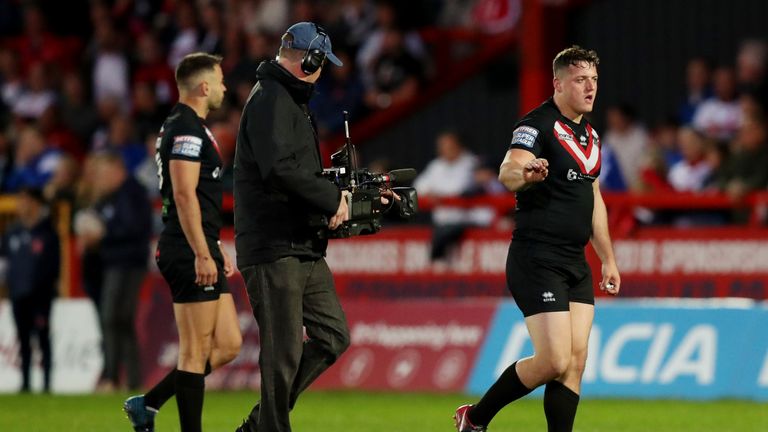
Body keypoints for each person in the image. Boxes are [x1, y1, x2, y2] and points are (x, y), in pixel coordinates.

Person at [454, 46, 621, 432]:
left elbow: (593, 197)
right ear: (558, 83)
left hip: (575, 262)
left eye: (594, 79)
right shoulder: (537, 124)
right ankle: (475, 418)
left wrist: (608, 258)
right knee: (553, 361)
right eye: (581, 80)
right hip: (537, 257)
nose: (590, 87)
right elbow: (507, 170)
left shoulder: (591, 136)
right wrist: (524, 174)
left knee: (575, 364)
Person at [233, 22, 352, 432]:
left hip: (301, 243)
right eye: (322, 63)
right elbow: (280, 170)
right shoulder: (271, 99)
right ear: (311, 59)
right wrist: (330, 198)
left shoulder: (287, 99)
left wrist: (330, 192)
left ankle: (259, 424)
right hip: (273, 246)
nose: (323, 72)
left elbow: (293, 170)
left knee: (332, 335)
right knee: (281, 354)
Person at [123, 53, 242, 432]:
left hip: (198, 243)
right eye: (220, 80)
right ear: (204, 87)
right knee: (194, 353)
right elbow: (185, 194)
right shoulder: (185, 128)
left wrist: (213, 244)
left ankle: (149, 403)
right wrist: (202, 251)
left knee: (227, 345)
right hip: (186, 248)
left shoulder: (189, 126)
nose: (224, 87)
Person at [0, 187, 59, 393]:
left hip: (41, 296)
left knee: (42, 338)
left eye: (24, 201)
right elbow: (4, 262)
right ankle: (25, 383)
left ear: (35, 204)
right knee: (23, 339)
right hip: (18, 294)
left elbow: (54, 265)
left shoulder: (47, 232)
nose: (20, 205)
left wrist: (49, 288)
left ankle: (46, 384)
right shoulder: (12, 233)